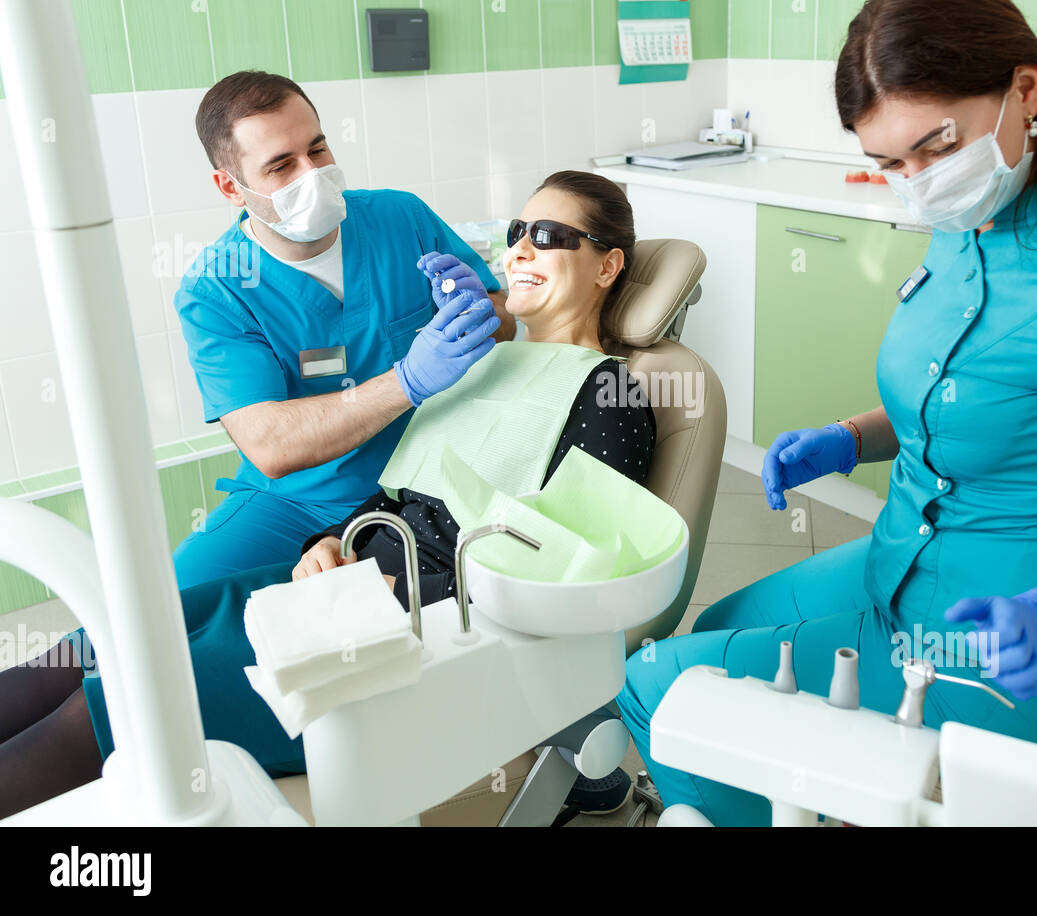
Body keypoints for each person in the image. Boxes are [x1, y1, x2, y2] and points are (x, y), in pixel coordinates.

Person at [616, 0, 1037, 826]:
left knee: (660, 686)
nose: (918, 179)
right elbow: (973, 401)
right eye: (887, 162)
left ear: (1024, 89)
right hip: (900, 565)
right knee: (727, 616)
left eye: (934, 145)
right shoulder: (970, 223)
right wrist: (850, 439)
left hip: (1008, 644)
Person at [0, 172, 654, 820]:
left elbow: (571, 570)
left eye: (548, 235)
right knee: (111, 637)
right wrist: (325, 545)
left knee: (121, 705)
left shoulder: (606, 395)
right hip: (339, 586)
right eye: (515, 233)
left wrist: (418, 594)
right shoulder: (477, 363)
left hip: (409, 635)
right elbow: (399, 496)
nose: (519, 251)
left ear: (607, 266)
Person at [172, 70, 516, 591]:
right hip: (291, 502)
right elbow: (271, 445)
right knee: (169, 606)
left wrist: (485, 314)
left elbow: (504, 321)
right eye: (281, 166)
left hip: (426, 483)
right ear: (230, 187)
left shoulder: (401, 218)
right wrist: (408, 381)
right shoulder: (217, 288)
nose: (312, 173)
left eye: (318, 149)